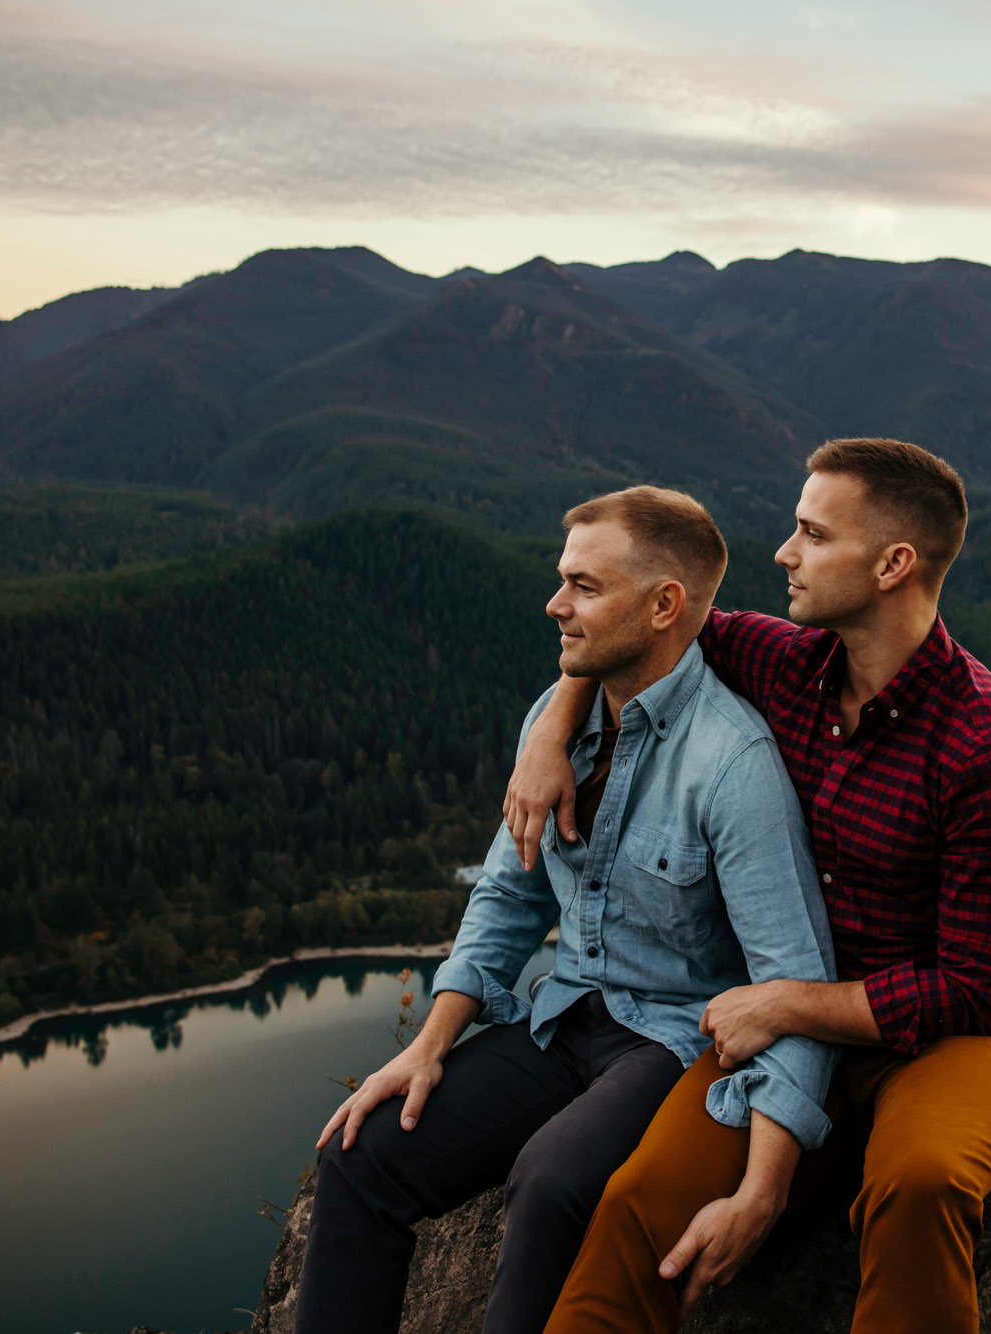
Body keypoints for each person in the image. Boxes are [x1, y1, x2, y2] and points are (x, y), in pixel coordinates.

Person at [503, 439, 991, 1333]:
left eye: (812, 532)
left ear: (892, 565)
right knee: (639, 1203)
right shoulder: (785, 662)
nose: (783, 553)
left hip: (954, 1036)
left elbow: (979, 986)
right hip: (793, 1024)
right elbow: (635, 639)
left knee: (918, 1185)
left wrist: (790, 1005)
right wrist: (552, 732)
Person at [292, 486, 838, 1334]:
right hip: (565, 1015)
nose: (555, 604)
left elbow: (793, 982)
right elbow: (511, 892)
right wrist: (431, 1047)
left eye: (584, 586)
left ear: (665, 606)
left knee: (550, 1182)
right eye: (562, 580)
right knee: (360, 1155)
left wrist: (767, 1182)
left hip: (670, 1037)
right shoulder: (556, 721)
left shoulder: (734, 766)